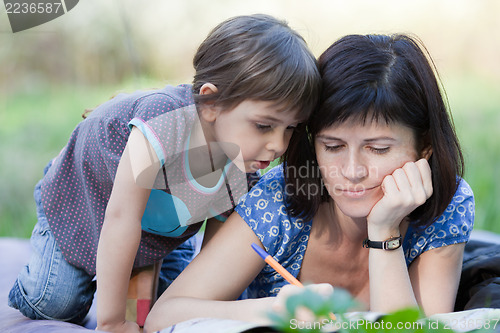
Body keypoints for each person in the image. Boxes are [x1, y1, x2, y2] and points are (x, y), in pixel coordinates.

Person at [7, 14, 321, 333]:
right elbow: (121, 218)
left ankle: (143, 265)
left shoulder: (245, 167)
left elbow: (212, 262)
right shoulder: (164, 120)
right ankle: (56, 257)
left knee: (163, 313)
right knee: (55, 304)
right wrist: (113, 321)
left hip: (155, 230)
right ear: (211, 102)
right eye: (264, 126)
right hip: (88, 202)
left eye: (291, 129)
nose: (279, 145)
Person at [144, 33, 475, 332]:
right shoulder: (279, 201)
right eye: (332, 146)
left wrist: (384, 233)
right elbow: (166, 314)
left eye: (377, 148)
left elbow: (414, 331)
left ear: (426, 145)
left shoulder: (448, 205)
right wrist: (277, 311)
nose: (352, 170)